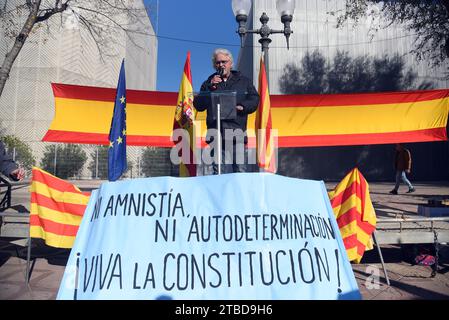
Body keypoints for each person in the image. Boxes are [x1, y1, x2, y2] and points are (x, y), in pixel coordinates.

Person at [193, 48, 259, 174]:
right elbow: (199, 105)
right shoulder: (208, 83)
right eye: (218, 63)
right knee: (218, 172)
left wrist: (242, 106)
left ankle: (240, 193)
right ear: (214, 65)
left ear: (230, 63)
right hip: (216, 133)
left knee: (240, 169)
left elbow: (254, 99)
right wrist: (210, 88)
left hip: (236, 132)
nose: (221, 65)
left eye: (224, 62)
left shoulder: (244, 81)